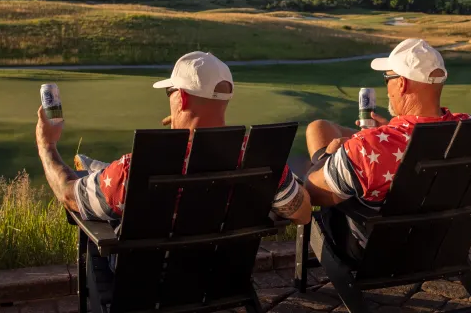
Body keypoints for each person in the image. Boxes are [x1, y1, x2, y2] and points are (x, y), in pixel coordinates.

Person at [35, 51, 312, 226]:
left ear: (181, 97)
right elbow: (302, 213)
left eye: (169, 93)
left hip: (146, 289)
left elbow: (70, 196)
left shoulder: (137, 169)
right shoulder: (260, 161)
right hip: (222, 280)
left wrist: (46, 144)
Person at [301, 38, 471, 256]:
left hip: (379, 251)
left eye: (387, 79)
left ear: (401, 83)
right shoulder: (470, 126)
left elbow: (313, 193)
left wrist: (329, 155)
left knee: (324, 166)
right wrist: (391, 130)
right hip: (444, 245)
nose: (388, 88)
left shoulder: (367, 148)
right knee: (321, 128)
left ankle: (334, 168)